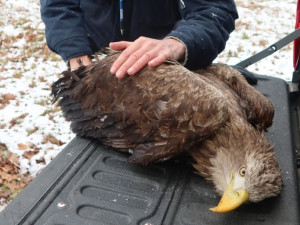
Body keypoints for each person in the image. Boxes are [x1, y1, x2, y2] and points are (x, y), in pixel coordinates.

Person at [40, 0, 238, 79]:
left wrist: (178, 43)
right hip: (97, 66)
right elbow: (58, 4)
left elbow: (214, 9)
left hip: (164, 71)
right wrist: (75, 50)